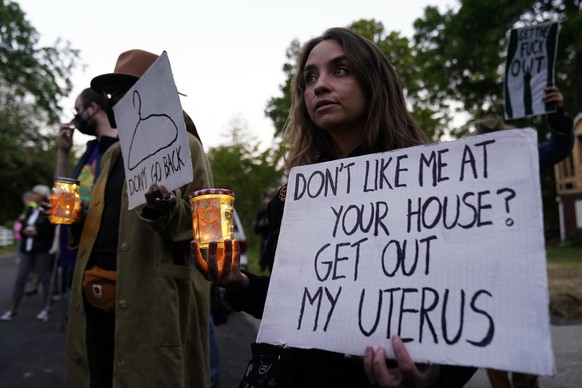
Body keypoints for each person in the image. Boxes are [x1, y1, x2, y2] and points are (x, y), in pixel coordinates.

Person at [192, 27, 477, 387]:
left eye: (340, 70)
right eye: (310, 78)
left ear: (376, 83)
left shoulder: (431, 184)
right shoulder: (294, 197)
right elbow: (297, 302)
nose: (319, 86)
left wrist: (435, 378)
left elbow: (465, 311)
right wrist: (238, 282)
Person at [65, 49, 213, 388]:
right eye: (113, 92)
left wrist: (167, 210)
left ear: (151, 93)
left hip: (150, 298)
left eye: (125, 90)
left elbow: (206, 226)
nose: (115, 99)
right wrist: (77, 220)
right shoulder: (113, 156)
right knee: (99, 372)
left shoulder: (186, 147)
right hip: (97, 299)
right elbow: (106, 223)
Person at [480, 85, 574, 388]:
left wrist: (556, 113)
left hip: (519, 270)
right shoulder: (462, 171)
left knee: (522, 348)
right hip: (482, 273)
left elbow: (560, 147)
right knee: (491, 346)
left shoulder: (526, 156)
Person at [54, 87, 119, 300]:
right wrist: (63, 152)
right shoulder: (90, 151)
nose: (75, 119)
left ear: (93, 108)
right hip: (84, 252)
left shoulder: (123, 146)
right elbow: (63, 200)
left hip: (113, 258)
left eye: (77, 110)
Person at [1, 185, 55, 322]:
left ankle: (46, 308)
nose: (33, 195)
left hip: (42, 249)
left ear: (43, 195)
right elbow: (24, 225)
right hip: (28, 248)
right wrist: (24, 231)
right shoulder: (31, 209)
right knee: (20, 278)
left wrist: (38, 233)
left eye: (36, 193)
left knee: (45, 278)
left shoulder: (49, 211)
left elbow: (52, 232)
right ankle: (13, 309)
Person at [254, 191, 271, 271]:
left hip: (272, 239)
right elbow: (256, 231)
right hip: (264, 240)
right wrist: (260, 225)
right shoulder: (260, 213)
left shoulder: (273, 211)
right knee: (263, 263)